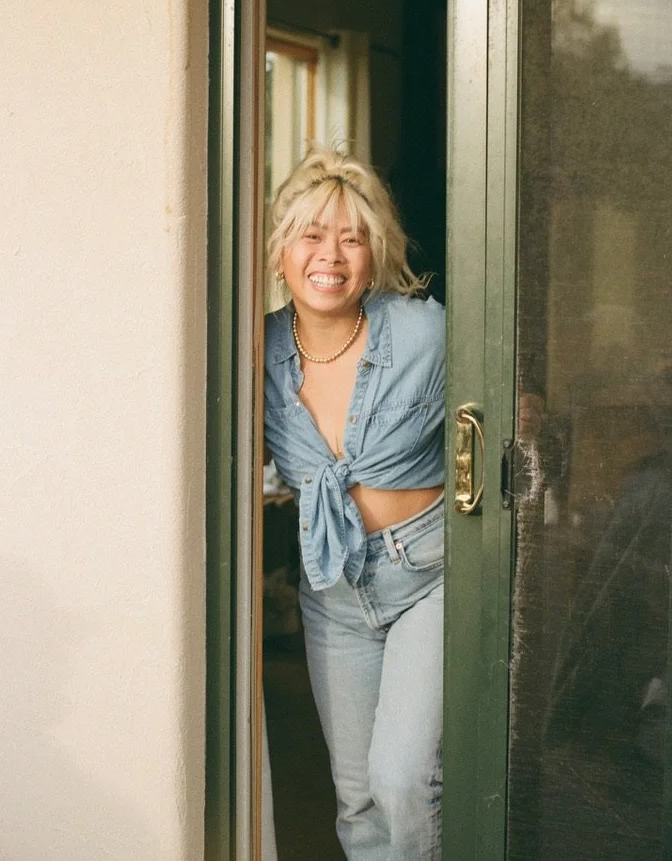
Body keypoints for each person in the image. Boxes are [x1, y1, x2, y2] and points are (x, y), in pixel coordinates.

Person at [263, 147, 446, 861]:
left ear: (375, 253)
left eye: (352, 236)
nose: (330, 255)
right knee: (359, 802)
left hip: (428, 576)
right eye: (312, 234)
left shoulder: (425, 332)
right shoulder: (258, 349)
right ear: (281, 251)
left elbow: (498, 408)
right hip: (333, 588)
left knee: (403, 779)